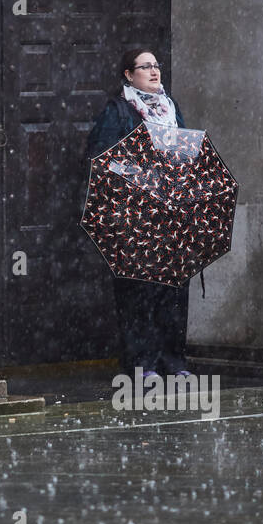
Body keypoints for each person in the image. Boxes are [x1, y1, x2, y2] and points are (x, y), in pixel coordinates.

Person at [84, 48, 192, 379]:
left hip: (170, 216)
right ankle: (142, 363)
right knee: (138, 292)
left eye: (156, 65)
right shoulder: (118, 113)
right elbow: (100, 159)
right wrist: (139, 174)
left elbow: (188, 153)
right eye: (145, 66)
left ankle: (173, 361)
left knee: (173, 291)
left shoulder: (171, 112)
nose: (154, 71)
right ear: (129, 75)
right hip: (135, 217)